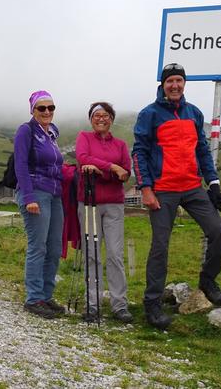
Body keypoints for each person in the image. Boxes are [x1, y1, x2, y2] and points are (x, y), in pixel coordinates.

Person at [132, 63, 221, 330]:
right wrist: (146, 188)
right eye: (170, 81)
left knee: (218, 232)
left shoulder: (194, 113)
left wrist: (214, 183)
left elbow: (202, 151)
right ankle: (152, 303)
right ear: (163, 85)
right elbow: (139, 152)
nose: (175, 85)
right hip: (163, 189)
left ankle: (208, 281)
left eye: (179, 81)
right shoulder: (149, 114)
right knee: (160, 246)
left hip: (192, 187)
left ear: (184, 84)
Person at [76, 102, 133, 323]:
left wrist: (104, 170)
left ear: (112, 119)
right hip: (89, 203)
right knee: (92, 254)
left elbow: (126, 173)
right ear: (91, 119)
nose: (102, 118)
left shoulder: (120, 144)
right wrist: (112, 168)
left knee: (115, 255)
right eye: (97, 115)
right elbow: (82, 158)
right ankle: (93, 304)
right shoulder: (84, 137)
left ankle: (120, 305)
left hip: (114, 205)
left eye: (106, 115)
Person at [14, 90, 65, 319]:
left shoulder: (52, 134)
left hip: (55, 194)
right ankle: (34, 298)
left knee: (54, 248)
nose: (47, 112)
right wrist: (29, 198)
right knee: (38, 246)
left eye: (50, 108)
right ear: (33, 110)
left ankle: (46, 295)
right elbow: (21, 165)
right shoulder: (26, 130)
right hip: (36, 192)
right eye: (41, 108)